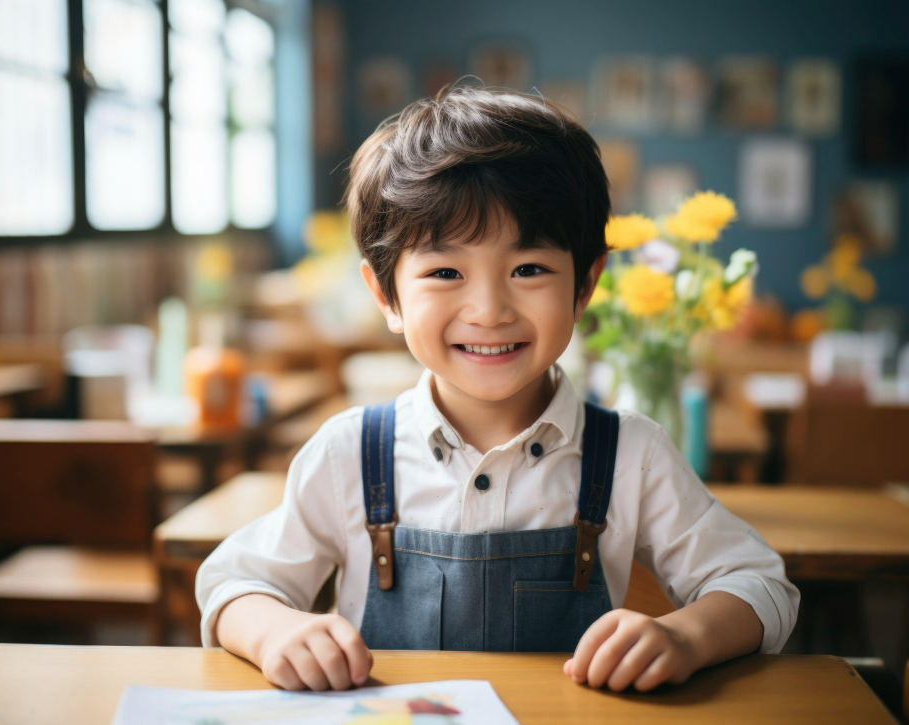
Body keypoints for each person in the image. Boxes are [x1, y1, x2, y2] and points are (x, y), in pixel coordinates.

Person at [196, 85, 798, 694]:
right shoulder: (349, 452)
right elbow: (233, 585)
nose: (488, 310)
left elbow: (760, 586)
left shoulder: (631, 456)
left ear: (585, 286)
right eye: (445, 272)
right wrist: (275, 631)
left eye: (529, 269)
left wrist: (686, 636)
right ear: (386, 296)